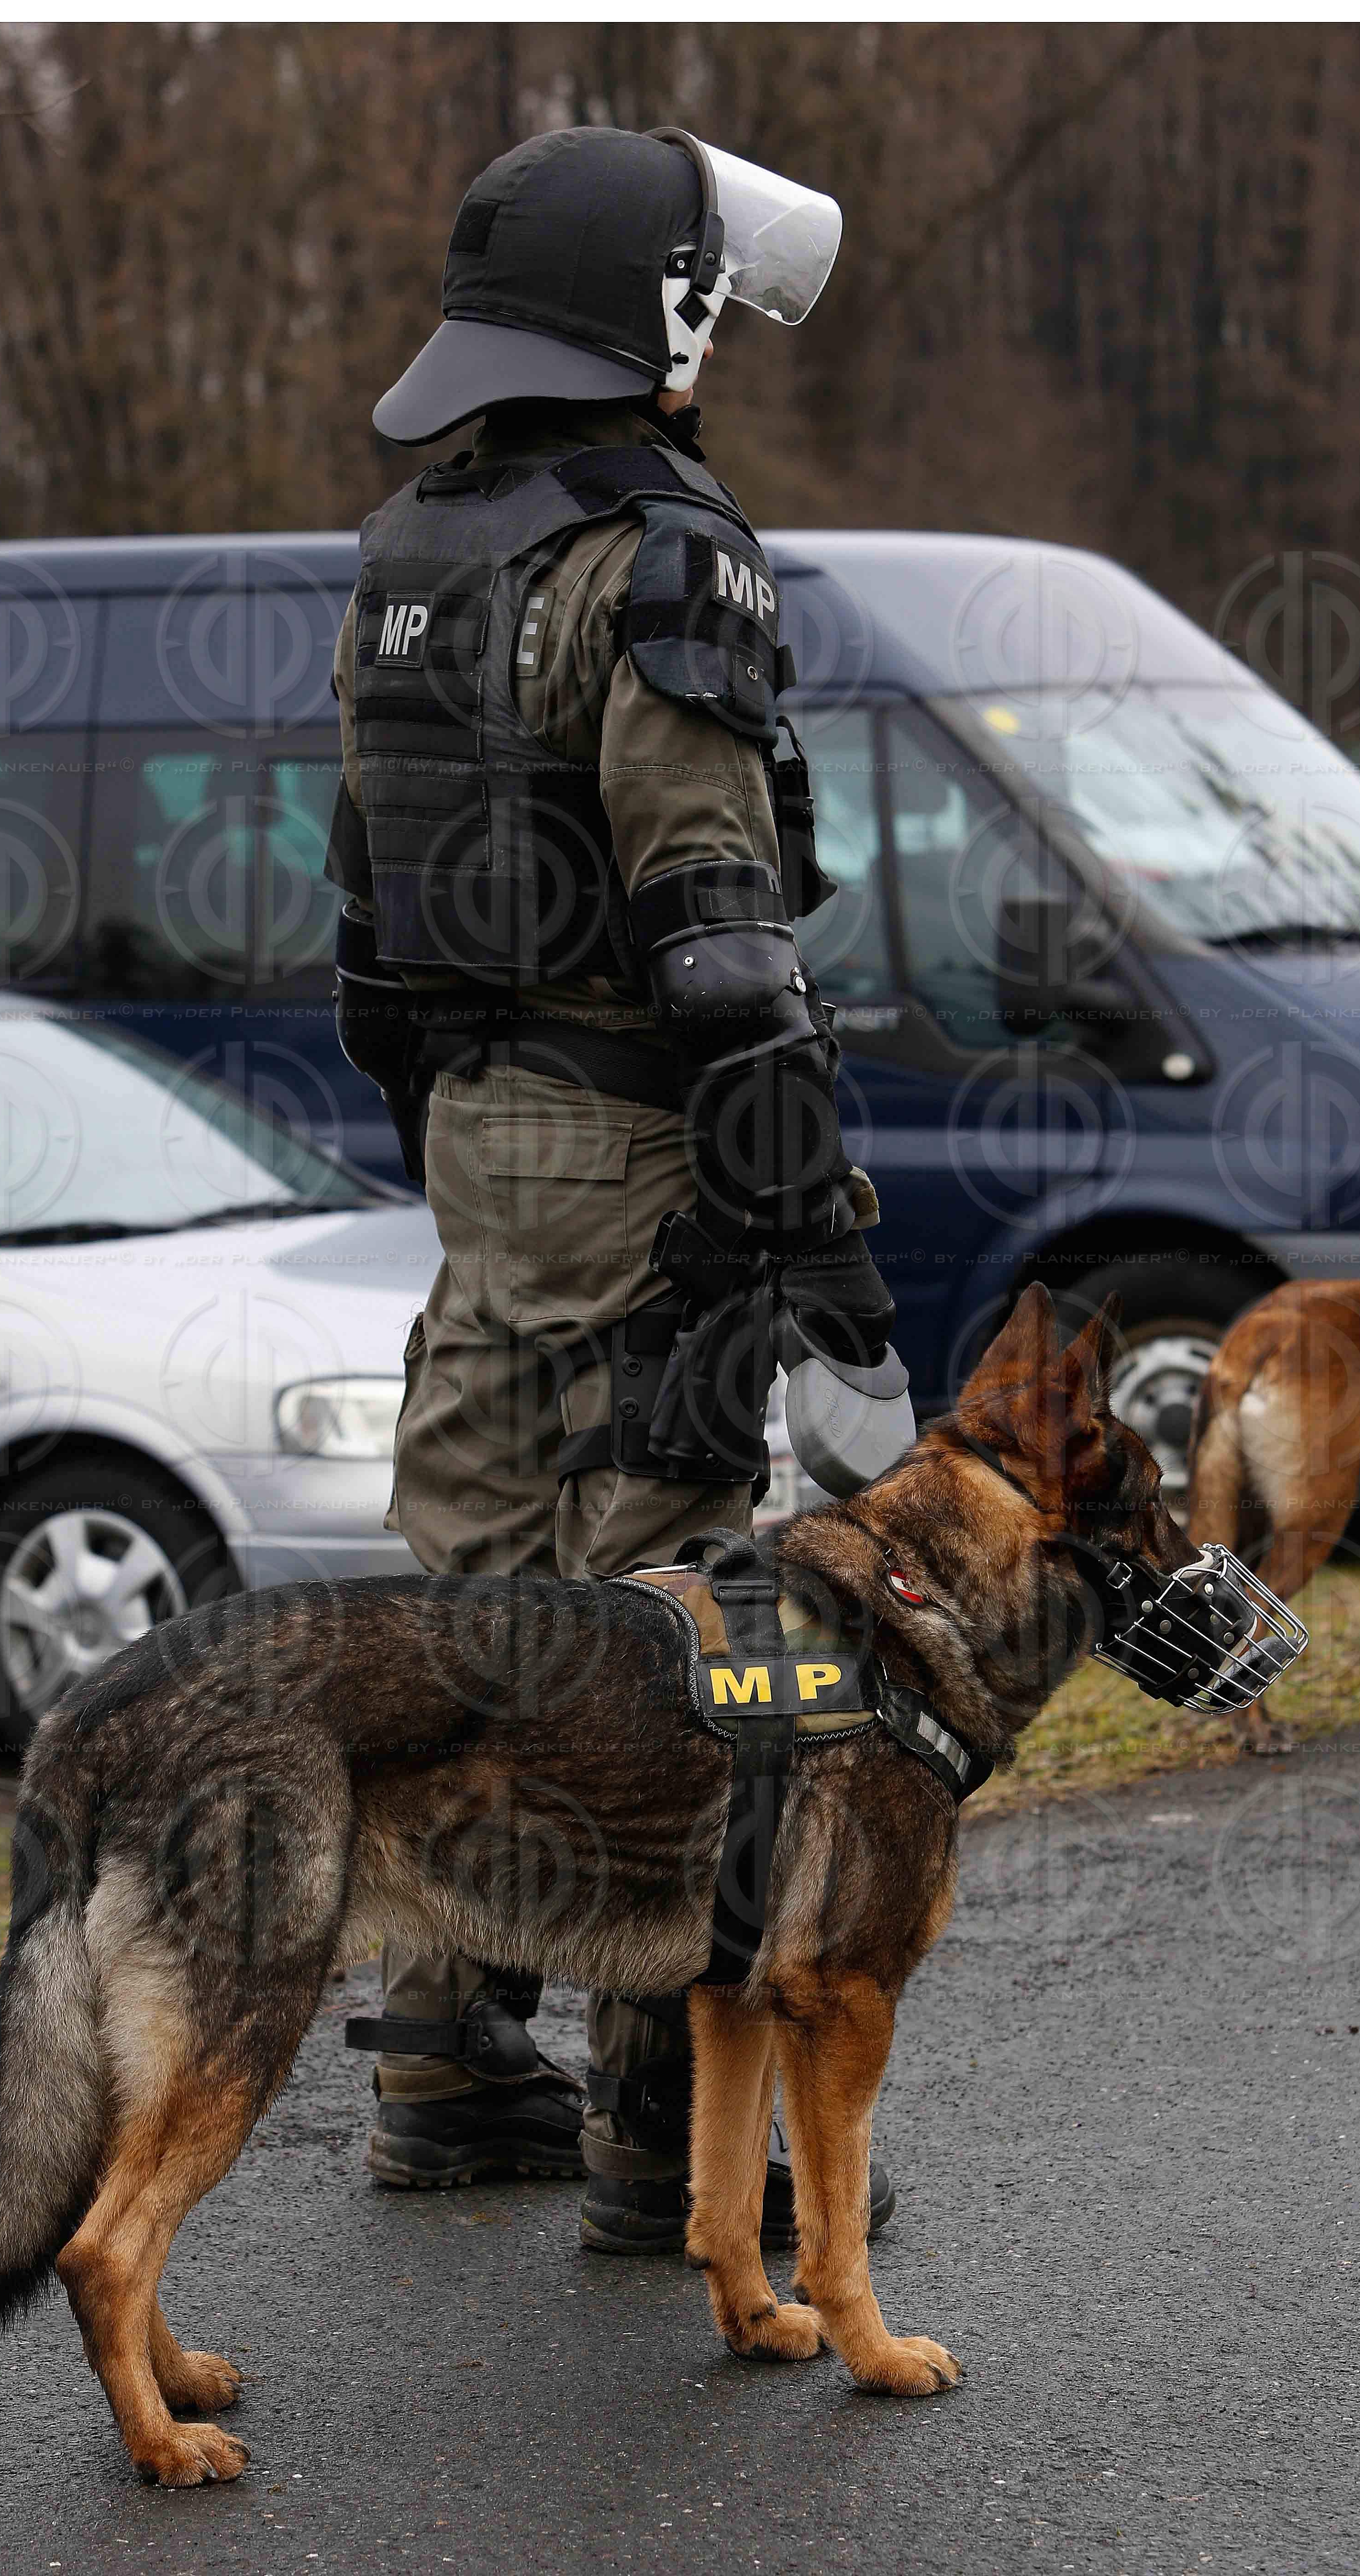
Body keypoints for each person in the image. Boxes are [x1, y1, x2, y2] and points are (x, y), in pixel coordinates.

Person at [326, 122, 897, 2253]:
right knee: (686, 1622)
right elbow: (724, 942)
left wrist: (472, 1144)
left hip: (477, 1136)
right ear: (659, 311)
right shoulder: (666, 547)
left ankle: (447, 2063)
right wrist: (813, 1225)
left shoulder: (407, 540)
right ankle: (675, 2137)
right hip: (645, 1131)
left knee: (466, 1588)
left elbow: (370, 931)